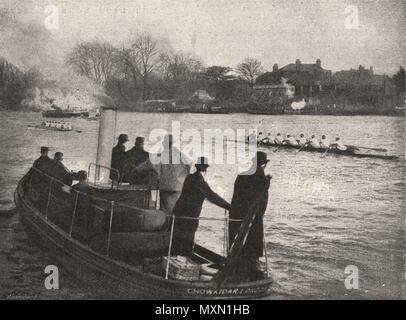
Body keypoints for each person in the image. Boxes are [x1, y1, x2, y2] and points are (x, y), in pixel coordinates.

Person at [171, 157, 231, 256]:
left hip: (179, 211)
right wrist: (229, 207)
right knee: (188, 240)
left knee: (177, 239)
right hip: (190, 215)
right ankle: (186, 260)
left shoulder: (189, 177)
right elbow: (212, 196)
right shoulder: (200, 182)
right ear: (205, 169)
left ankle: (175, 258)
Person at [228, 151, 271, 281]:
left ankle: (234, 270)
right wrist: (267, 183)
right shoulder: (260, 175)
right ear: (263, 164)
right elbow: (261, 200)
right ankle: (248, 274)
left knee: (236, 244)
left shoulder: (242, 174)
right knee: (251, 246)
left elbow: (237, 195)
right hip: (251, 218)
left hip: (236, 214)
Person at [152, 134, 192, 214]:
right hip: (177, 186)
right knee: (176, 209)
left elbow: (151, 164)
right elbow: (190, 163)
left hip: (165, 186)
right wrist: (185, 176)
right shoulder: (179, 154)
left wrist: (137, 169)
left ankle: (166, 225)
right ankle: (173, 225)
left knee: (165, 211)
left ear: (166, 143)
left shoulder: (161, 154)